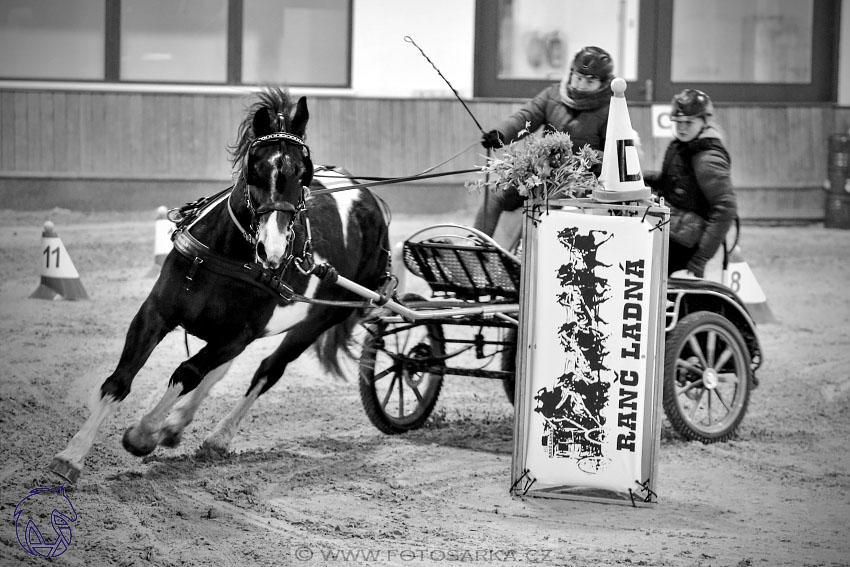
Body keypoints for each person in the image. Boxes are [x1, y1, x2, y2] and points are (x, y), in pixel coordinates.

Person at [473, 46, 615, 236]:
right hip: (542, 170)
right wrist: (501, 134)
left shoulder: (611, 109)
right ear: (571, 73)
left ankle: (529, 258)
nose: (581, 85)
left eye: (589, 82)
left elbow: (613, 157)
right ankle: (477, 244)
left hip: (580, 181)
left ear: (603, 84)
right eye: (578, 78)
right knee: (495, 192)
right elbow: (525, 118)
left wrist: (579, 159)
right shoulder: (552, 95)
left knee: (546, 202)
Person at [644, 89, 737, 278]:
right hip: (673, 229)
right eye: (678, 122)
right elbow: (670, 182)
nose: (682, 128)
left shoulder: (708, 158)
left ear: (704, 121)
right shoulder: (684, 145)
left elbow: (725, 208)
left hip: (685, 244)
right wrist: (638, 177)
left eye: (689, 122)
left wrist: (700, 259)